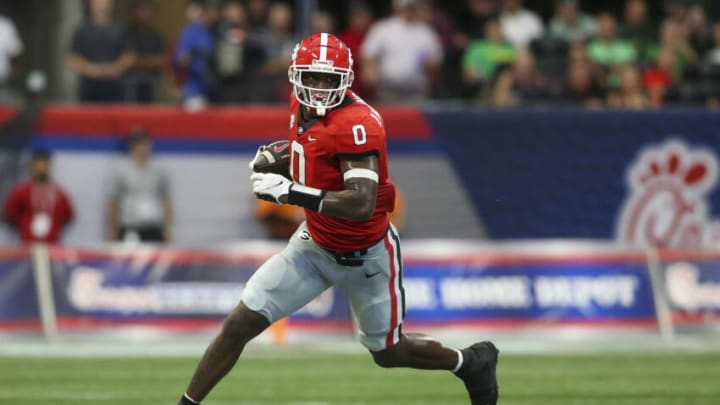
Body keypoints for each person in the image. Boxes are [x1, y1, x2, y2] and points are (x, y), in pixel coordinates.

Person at [176, 33, 499, 405]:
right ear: (297, 76)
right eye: (311, 77)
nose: (318, 87)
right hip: (313, 247)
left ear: (345, 80)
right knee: (240, 323)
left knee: (388, 353)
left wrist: (288, 191)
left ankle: (470, 362)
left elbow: (361, 202)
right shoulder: (302, 106)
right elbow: (315, 149)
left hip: (367, 255)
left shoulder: (357, 122)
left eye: (329, 80)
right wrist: (281, 155)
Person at [361, 0, 443, 102]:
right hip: (387, 91)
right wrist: (370, 69)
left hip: (417, 93)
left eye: (411, 8)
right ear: (397, 8)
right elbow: (368, 53)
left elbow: (437, 62)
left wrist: (430, 64)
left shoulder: (426, 32)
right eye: (406, 7)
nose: (409, 11)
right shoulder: (383, 28)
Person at [105, 128, 173, 243]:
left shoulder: (159, 170)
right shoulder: (121, 170)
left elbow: (166, 200)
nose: (144, 148)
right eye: (140, 144)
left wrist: (168, 228)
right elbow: (113, 201)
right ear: (132, 146)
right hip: (130, 226)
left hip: (154, 226)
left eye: (146, 144)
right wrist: (112, 230)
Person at [66, 0, 134, 103]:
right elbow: (72, 58)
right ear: (91, 4)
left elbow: (130, 55)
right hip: (89, 88)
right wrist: (89, 69)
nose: (101, 4)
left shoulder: (120, 29)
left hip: (115, 88)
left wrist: (116, 68)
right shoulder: (82, 30)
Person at [3, 148, 74, 244]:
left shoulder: (59, 193)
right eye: (38, 163)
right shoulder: (22, 191)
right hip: (28, 245)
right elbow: (8, 215)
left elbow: (68, 216)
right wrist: (23, 227)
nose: (42, 167)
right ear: (33, 165)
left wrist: (55, 227)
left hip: (52, 245)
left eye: (45, 163)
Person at [125, 0, 167, 103]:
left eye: (147, 10)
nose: (144, 14)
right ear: (134, 12)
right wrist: (149, 61)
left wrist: (138, 61)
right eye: (141, 10)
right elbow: (128, 60)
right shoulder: (126, 34)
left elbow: (161, 60)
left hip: (153, 82)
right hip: (131, 83)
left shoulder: (156, 36)